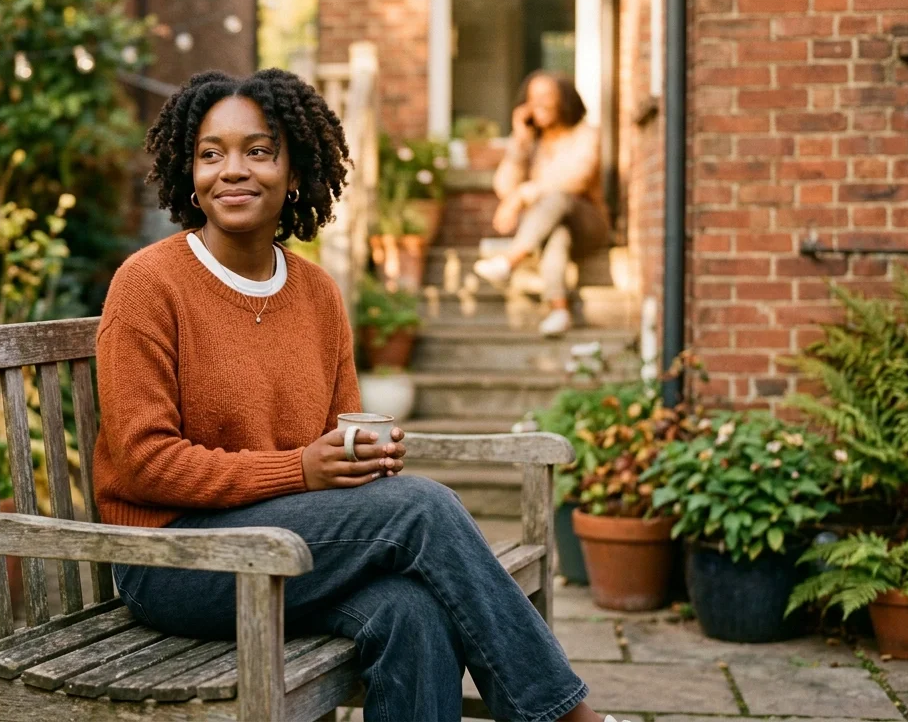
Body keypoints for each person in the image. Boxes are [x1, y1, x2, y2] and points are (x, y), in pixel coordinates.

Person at [94, 68, 628, 722]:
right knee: (423, 509)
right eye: (210, 154)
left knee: (416, 611)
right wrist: (300, 469)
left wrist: (362, 460)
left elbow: (335, 438)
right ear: (189, 174)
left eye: (259, 151)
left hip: (282, 548)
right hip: (172, 562)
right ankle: (562, 714)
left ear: (296, 173)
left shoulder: (316, 294)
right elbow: (144, 462)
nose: (232, 170)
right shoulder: (148, 285)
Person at [473, 72, 609, 338]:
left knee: (558, 198)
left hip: (589, 224)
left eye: (547, 97)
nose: (538, 105)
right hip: (549, 227)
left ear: (565, 100)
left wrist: (524, 194)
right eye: (532, 99)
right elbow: (503, 187)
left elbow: (576, 179)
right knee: (557, 234)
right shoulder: (531, 142)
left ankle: (510, 261)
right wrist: (519, 143)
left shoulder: (586, 134)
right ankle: (559, 309)